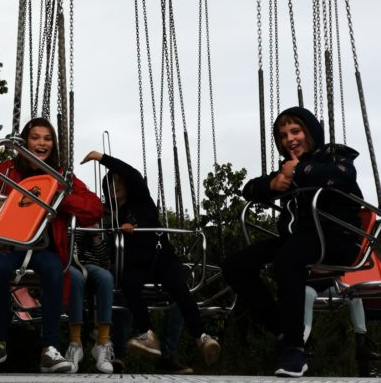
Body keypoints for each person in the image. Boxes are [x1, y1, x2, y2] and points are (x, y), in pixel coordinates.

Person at [222, 106, 363, 377]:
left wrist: (297, 170)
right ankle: (284, 330)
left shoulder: (333, 157)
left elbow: (341, 177)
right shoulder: (286, 168)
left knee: (288, 258)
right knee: (236, 265)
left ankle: (295, 350)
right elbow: (249, 189)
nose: (290, 139)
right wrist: (274, 185)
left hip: (335, 239)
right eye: (283, 135)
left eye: (295, 131)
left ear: (310, 132)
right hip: (298, 241)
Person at [0, 118, 104, 373]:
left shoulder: (61, 176)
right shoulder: (5, 171)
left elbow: (95, 208)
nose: (42, 143)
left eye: (47, 138)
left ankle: (50, 349)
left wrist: (59, 198)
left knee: (54, 271)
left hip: (43, 248)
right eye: (35, 137)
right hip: (8, 245)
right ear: (25, 142)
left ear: (53, 144)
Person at [80, 151, 221, 369]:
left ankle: (201, 337)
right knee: (127, 285)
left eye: (119, 181)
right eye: (111, 182)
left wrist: (102, 158)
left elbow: (133, 175)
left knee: (179, 287)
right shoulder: (109, 216)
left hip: (160, 256)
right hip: (134, 264)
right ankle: (146, 333)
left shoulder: (141, 201)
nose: (115, 186)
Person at [64, 222, 115, 373]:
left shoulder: (92, 220)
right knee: (75, 278)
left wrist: (95, 235)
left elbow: (103, 258)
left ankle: (102, 342)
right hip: (66, 263)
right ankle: (75, 343)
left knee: (106, 278)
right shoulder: (63, 218)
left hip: (89, 264)